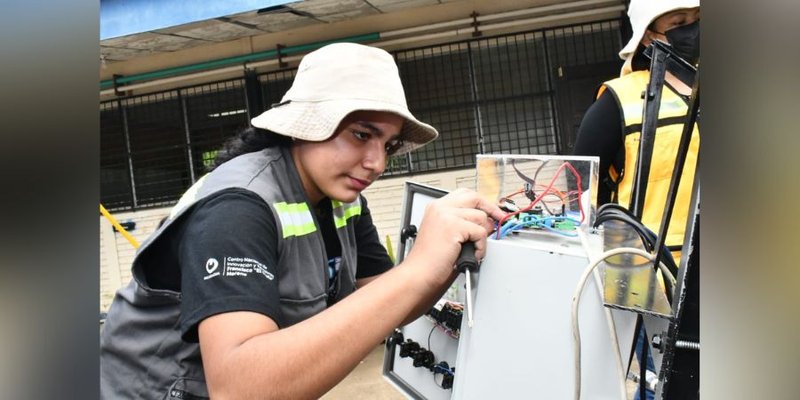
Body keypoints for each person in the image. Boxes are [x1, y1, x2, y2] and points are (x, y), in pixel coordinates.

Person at [100, 42, 505, 399]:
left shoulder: (342, 198)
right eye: (362, 135)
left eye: (389, 143)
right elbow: (242, 388)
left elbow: (386, 304)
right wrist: (416, 270)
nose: (377, 162)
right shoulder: (239, 207)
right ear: (304, 127)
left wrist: (439, 264)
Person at [573, 1, 700, 399]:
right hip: (659, 288)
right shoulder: (618, 102)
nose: (693, 31)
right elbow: (580, 189)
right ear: (649, 34)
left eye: (698, 21)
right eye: (679, 23)